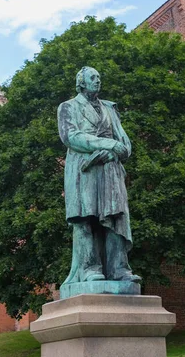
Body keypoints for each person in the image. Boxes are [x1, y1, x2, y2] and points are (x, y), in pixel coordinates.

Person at [58, 66, 141, 285]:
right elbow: (71, 137)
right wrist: (108, 144)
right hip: (84, 170)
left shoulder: (110, 109)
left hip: (111, 170)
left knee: (115, 217)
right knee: (86, 219)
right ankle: (88, 268)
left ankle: (119, 268)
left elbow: (125, 143)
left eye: (99, 77)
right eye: (93, 78)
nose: (97, 81)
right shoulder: (68, 107)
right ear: (82, 82)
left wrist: (116, 150)